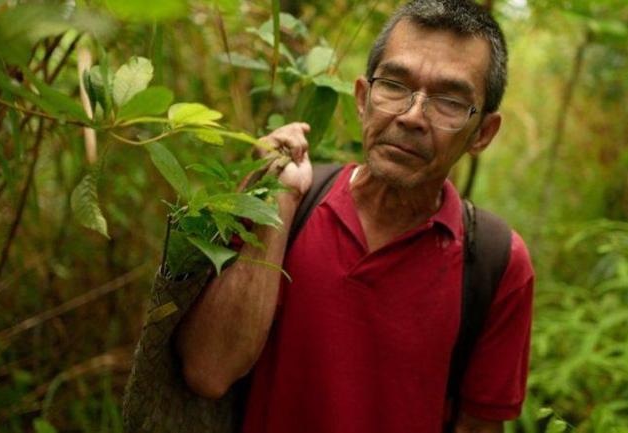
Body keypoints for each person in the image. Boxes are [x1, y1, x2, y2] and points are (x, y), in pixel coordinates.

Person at [174, 0, 534, 432]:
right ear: (363, 99)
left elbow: (477, 426)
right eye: (395, 86)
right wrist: (277, 203)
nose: (412, 116)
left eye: (449, 102)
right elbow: (208, 370)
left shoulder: (496, 261)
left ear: (484, 134)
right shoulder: (285, 201)